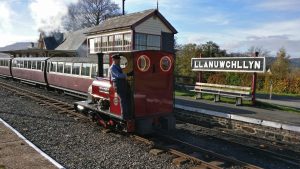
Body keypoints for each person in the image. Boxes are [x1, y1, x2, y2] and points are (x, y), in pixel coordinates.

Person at [108, 54, 129, 119]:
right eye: (117, 60)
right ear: (113, 60)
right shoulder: (112, 68)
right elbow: (118, 75)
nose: (119, 61)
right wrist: (127, 74)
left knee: (126, 98)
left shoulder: (118, 66)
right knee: (123, 99)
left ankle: (127, 113)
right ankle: (124, 115)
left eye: (119, 60)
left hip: (122, 83)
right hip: (118, 83)